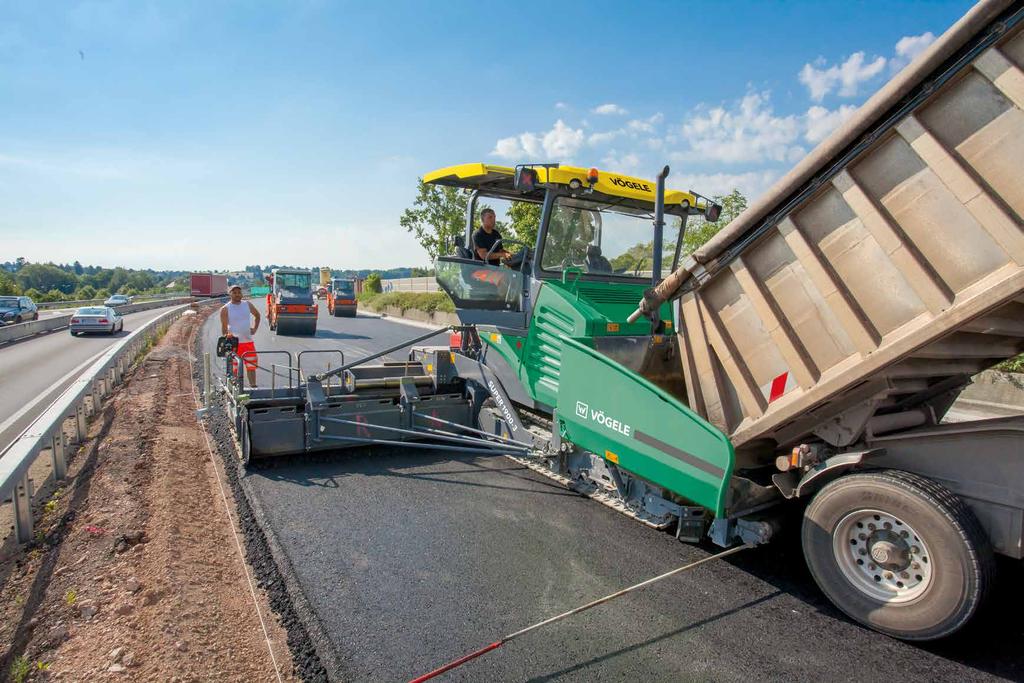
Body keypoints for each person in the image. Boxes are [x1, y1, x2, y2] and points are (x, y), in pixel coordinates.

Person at [220, 285, 261, 387]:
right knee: (234, 369)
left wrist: (255, 328)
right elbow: (224, 328)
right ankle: (235, 389)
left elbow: (257, 315)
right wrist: (226, 339)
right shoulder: (225, 309)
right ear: (230, 294)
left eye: (239, 292)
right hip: (234, 345)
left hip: (248, 343)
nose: (237, 294)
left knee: (251, 367)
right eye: (234, 292)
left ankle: (253, 387)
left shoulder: (247, 304)